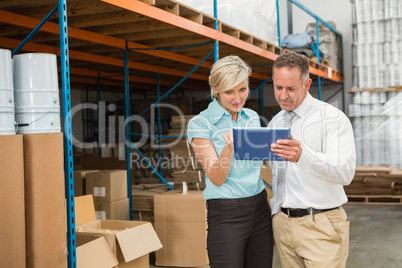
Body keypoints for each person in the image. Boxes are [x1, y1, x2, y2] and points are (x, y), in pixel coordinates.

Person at [268, 52, 356, 268]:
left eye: (291, 88)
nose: (283, 95)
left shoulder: (331, 119)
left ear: (307, 85)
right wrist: (275, 217)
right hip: (282, 224)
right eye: (278, 87)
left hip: (321, 224)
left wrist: (302, 157)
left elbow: (345, 172)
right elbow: (278, 176)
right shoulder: (275, 122)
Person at [187, 55, 273, 268]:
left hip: (260, 206)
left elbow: (254, 166)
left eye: (242, 89)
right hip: (226, 212)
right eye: (229, 92)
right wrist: (229, 147)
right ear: (215, 89)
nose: (237, 98)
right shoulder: (200, 124)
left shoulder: (251, 117)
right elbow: (216, 177)